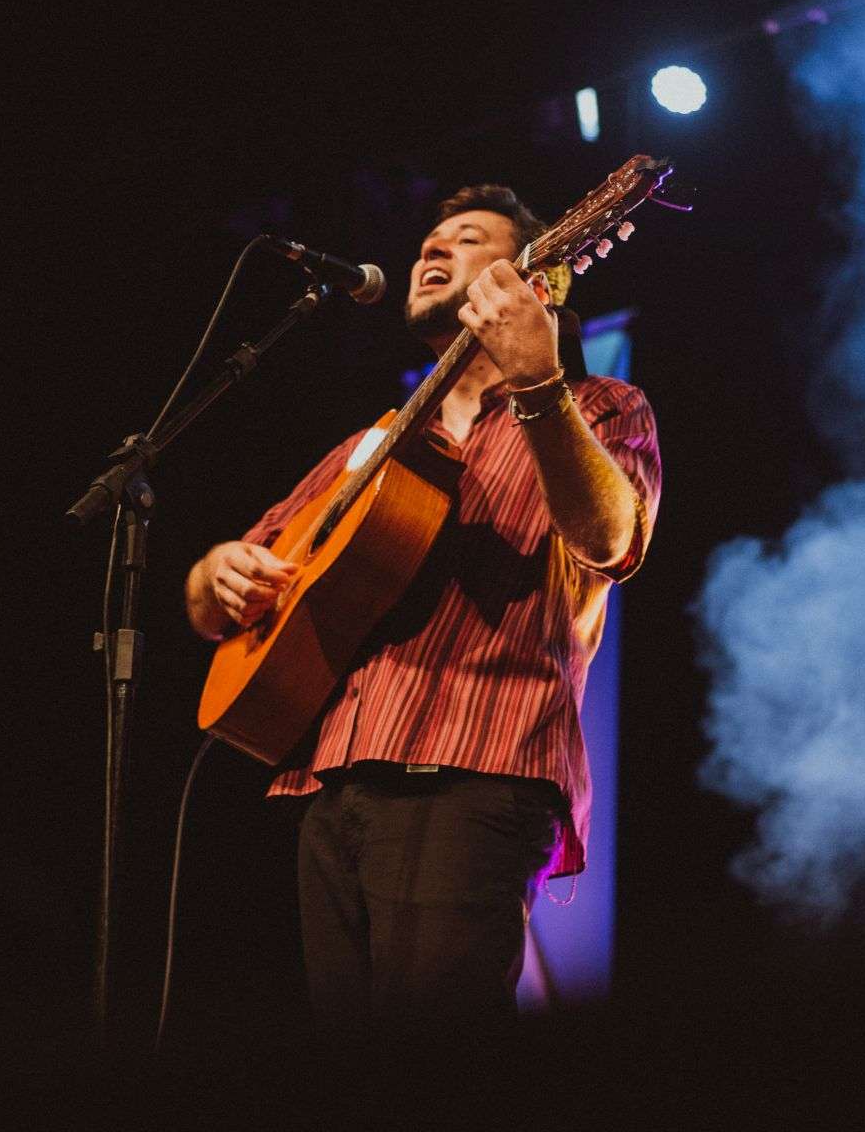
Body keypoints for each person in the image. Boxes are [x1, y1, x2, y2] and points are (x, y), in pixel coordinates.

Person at [184, 183, 662, 1031]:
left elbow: (612, 542)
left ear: (535, 274)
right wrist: (217, 570)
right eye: (427, 242)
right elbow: (214, 601)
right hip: (332, 787)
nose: (431, 252)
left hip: (477, 772)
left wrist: (539, 380)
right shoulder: (372, 443)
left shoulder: (599, 407)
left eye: (467, 239)